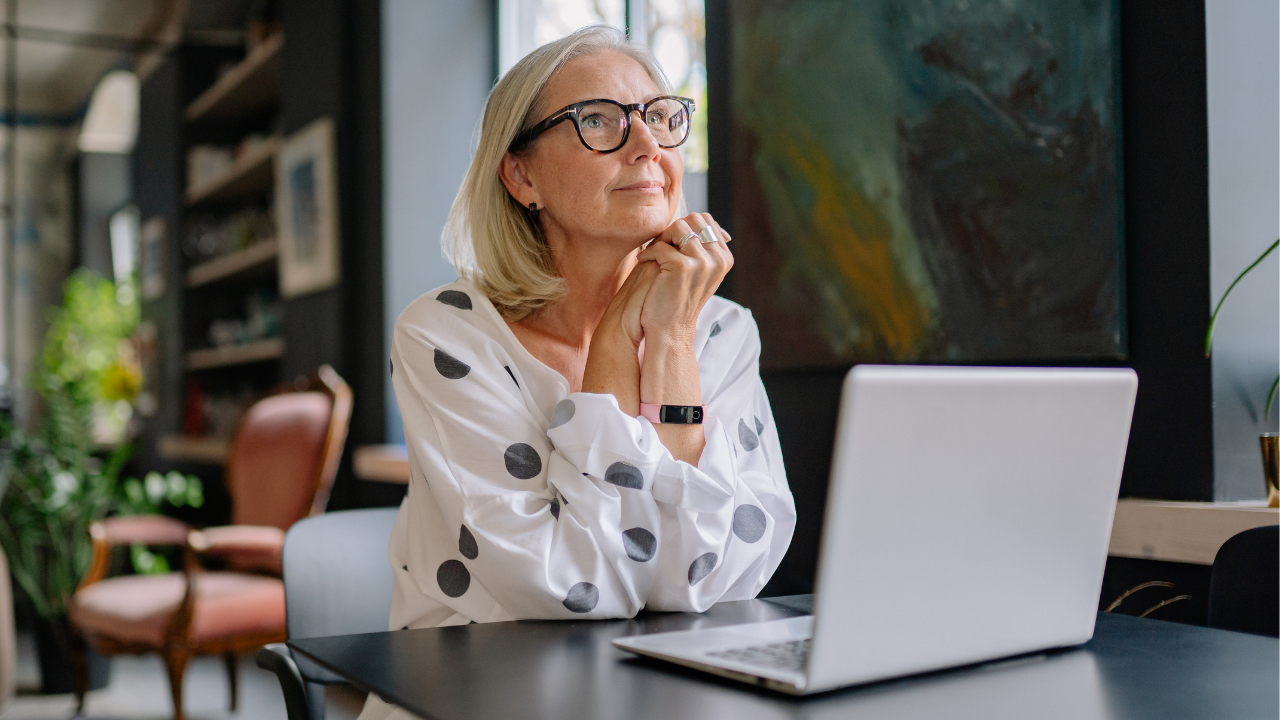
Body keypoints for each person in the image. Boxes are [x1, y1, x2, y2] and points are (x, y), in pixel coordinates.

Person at [359, 24, 795, 720]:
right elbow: (573, 591)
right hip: (472, 698)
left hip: (653, 696)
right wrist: (617, 350)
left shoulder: (720, 331)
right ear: (521, 175)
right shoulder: (445, 335)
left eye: (660, 117)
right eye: (598, 121)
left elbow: (712, 584)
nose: (648, 146)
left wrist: (670, 338)